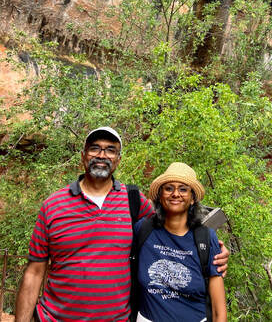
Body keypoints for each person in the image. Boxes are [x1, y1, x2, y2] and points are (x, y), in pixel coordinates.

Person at [15, 127, 229, 322]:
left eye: (110, 150)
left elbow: (174, 222)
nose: (101, 155)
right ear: (83, 155)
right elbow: (34, 272)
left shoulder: (133, 201)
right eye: (95, 148)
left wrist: (213, 249)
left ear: (118, 159)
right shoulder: (53, 205)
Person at [132, 162, 227, 322]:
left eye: (183, 189)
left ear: (192, 199)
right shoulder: (143, 229)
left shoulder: (205, 238)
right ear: (161, 195)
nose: (175, 194)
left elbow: (219, 310)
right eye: (169, 188)